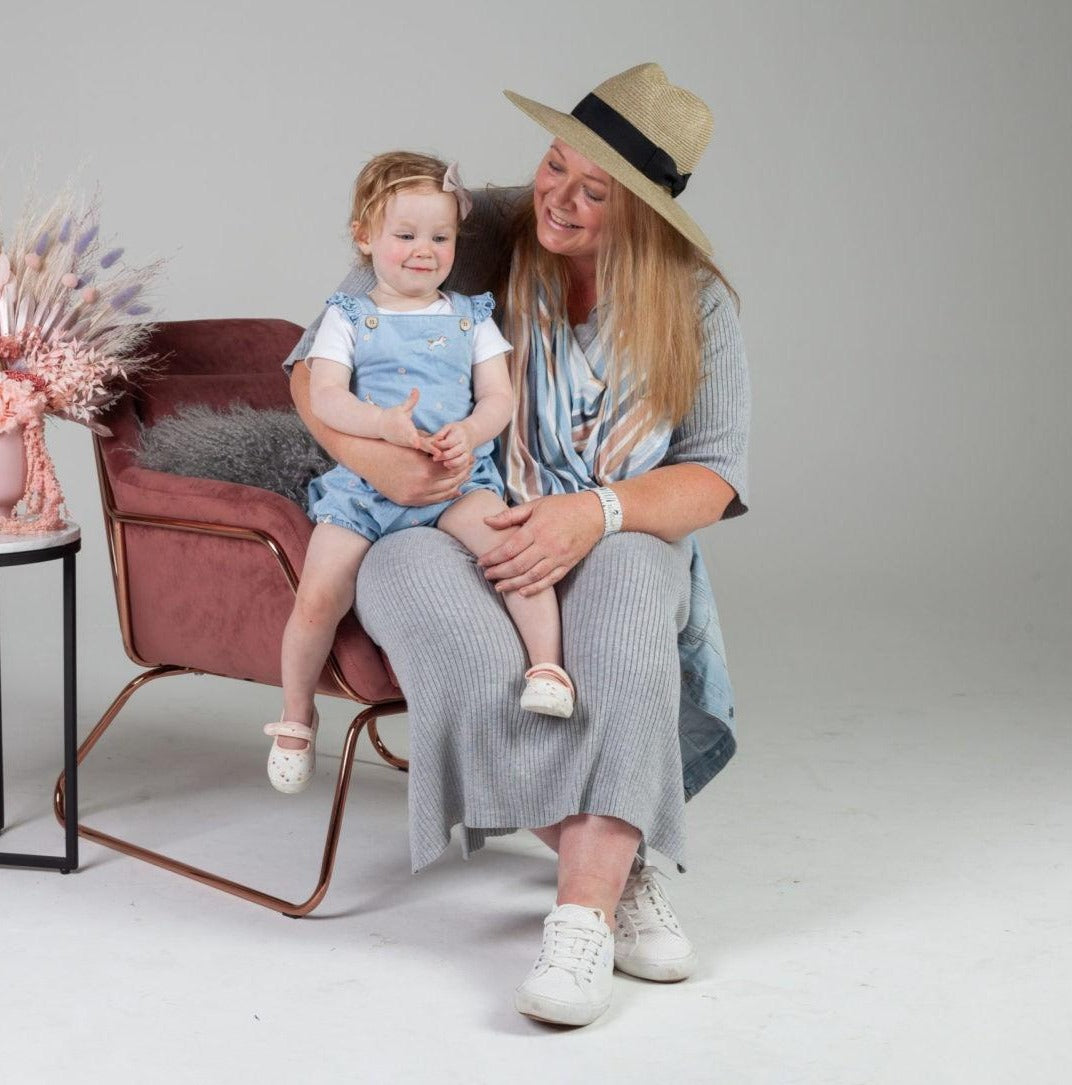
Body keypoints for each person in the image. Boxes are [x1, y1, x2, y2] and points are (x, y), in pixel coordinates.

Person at [286, 64, 750, 1027]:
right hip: (456, 509)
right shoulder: (485, 227)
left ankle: (581, 917)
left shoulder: (695, 303)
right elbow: (313, 363)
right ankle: (620, 873)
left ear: (650, 213)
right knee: (442, 622)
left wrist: (593, 514)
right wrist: (372, 468)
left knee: (625, 610)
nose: (560, 200)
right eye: (555, 166)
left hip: (618, 519)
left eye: (595, 192)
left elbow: (713, 476)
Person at [266, 152, 577, 796]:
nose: (422, 252)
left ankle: (547, 667)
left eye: (439, 238)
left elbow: (497, 398)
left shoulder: (470, 316)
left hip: (455, 481)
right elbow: (325, 397)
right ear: (365, 238)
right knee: (319, 594)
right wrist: (381, 427)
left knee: (512, 549)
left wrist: (467, 433)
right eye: (404, 236)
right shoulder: (348, 318)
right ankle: (296, 714)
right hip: (365, 489)